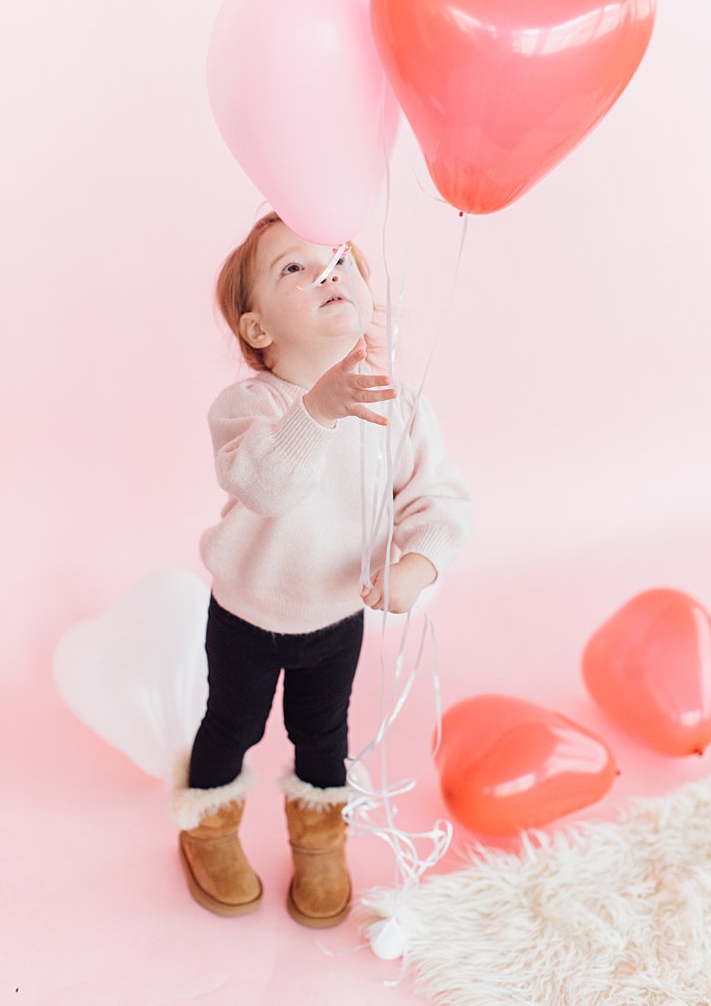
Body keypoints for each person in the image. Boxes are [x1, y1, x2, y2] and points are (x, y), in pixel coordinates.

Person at [171, 212, 472, 927]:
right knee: (231, 725)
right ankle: (207, 826)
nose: (327, 273)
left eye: (339, 260)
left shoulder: (398, 405)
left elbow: (440, 499)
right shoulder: (247, 407)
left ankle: (319, 840)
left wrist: (417, 565)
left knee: (324, 735)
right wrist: (318, 410)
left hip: (336, 617)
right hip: (248, 612)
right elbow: (267, 487)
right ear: (258, 331)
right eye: (294, 269)